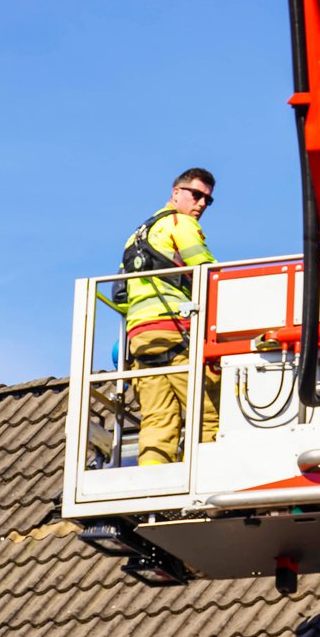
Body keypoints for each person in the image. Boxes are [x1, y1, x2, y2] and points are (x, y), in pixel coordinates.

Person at [120, 167, 220, 466]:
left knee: (156, 423)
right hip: (176, 328)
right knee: (209, 414)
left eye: (208, 200)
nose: (201, 204)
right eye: (197, 195)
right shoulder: (181, 224)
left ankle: (151, 489)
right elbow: (207, 270)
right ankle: (203, 484)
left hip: (140, 337)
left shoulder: (134, 237)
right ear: (176, 193)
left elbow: (121, 293)